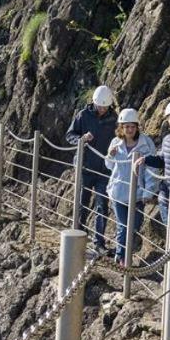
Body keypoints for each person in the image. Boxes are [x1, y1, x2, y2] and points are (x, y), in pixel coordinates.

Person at [66, 85, 118, 253]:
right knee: (83, 203)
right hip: (85, 168)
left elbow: (120, 138)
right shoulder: (83, 115)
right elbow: (70, 135)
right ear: (94, 103)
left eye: (105, 106)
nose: (102, 109)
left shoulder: (114, 118)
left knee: (102, 205)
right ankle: (80, 237)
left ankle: (99, 243)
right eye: (100, 106)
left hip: (104, 170)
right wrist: (82, 139)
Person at [104, 108, 156, 265]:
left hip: (137, 193)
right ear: (121, 127)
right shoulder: (115, 143)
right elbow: (109, 166)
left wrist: (148, 191)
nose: (129, 129)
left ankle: (126, 254)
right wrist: (110, 156)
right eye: (126, 126)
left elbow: (152, 170)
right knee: (123, 226)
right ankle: (121, 258)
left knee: (134, 226)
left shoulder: (146, 144)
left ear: (137, 126)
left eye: (132, 126)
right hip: (119, 191)